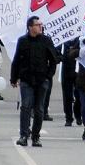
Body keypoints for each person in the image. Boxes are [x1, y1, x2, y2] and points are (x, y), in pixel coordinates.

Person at [11, 16, 58, 147]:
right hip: (26, 80)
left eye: (40, 24)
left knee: (39, 109)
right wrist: (14, 78)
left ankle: (36, 136)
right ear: (30, 27)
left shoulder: (46, 40)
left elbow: (53, 60)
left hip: (42, 80)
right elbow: (16, 61)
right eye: (38, 24)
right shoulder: (23, 41)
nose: (40, 26)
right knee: (25, 106)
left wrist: (49, 76)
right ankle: (23, 135)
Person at [60, 39, 82, 126]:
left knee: (79, 95)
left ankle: (78, 114)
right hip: (66, 70)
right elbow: (57, 53)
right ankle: (68, 117)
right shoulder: (63, 39)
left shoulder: (81, 39)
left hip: (79, 71)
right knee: (67, 96)